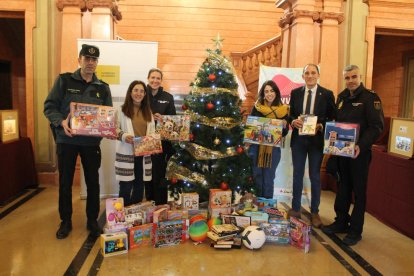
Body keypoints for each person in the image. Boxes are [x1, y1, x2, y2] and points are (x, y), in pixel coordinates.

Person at [44, 44, 112, 239]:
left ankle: (92, 220)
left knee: (93, 182)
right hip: (67, 140)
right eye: (86, 58)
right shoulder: (64, 81)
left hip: (91, 143)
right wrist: (61, 121)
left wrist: (106, 129)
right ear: (79, 59)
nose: (90, 62)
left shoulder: (102, 88)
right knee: (65, 182)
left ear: (97, 62)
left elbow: (107, 115)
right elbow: (49, 107)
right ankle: (65, 221)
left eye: (94, 59)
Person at [322, 65, 384, 246]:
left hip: (359, 154)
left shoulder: (371, 98)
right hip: (341, 152)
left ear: (360, 77)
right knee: (342, 188)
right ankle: (341, 222)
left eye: (354, 77)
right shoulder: (341, 98)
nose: (350, 81)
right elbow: (335, 123)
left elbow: (376, 127)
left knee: (358, 192)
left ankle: (355, 231)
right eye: (347, 78)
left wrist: (360, 146)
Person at [288, 64, 336, 228]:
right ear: (303, 76)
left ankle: (315, 211)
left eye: (313, 73)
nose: (310, 76)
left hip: (316, 141)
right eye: (307, 73)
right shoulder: (295, 93)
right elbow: (290, 114)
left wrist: (321, 125)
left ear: (318, 75)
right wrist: (293, 121)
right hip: (299, 141)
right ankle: (295, 209)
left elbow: (332, 117)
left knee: (315, 176)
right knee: (297, 174)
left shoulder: (327, 94)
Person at [115, 80, 155, 206]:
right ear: (130, 92)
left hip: (142, 154)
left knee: (139, 186)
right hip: (127, 153)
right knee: (126, 186)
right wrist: (124, 136)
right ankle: (123, 216)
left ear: (145, 94)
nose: (139, 93)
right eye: (136, 90)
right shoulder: (121, 110)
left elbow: (153, 132)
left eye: (142, 91)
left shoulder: (149, 112)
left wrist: (152, 139)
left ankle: (135, 216)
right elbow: (114, 129)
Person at [248, 80, 289, 199]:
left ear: (276, 92)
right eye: (266, 91)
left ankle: (267, 206)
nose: (269, 93)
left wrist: (284, 126)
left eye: (272, 90)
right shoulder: (257, 107)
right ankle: (258, 204)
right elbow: (251, 127)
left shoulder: (283, 110)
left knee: (269, 178)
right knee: (257, 176)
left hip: (273, 149)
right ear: (263, 93)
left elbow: (284, 133)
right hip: (256, 148)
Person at [147, 68, 176, 204]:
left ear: (161, 80)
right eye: (153, 77)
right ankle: (148, 204)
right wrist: (149, 117)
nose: (155, 80)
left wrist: (162, 119)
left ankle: (161, 206)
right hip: (144, 142)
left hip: (162, 143)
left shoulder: (168, 97)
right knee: (147, 175)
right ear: (148, 78)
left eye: (158, 78)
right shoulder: (141, 94)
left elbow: (173, 121)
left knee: (160, 175)